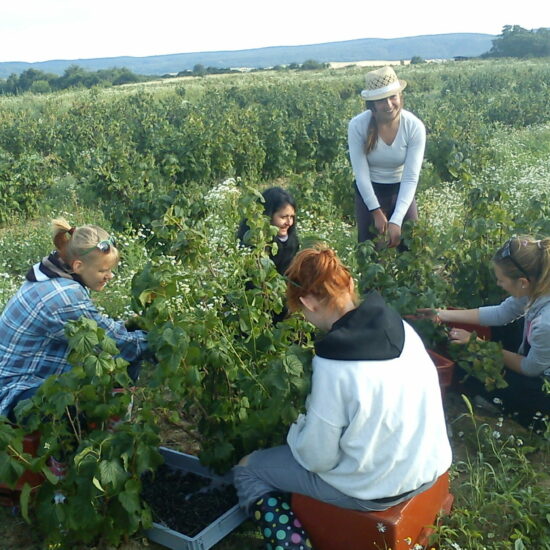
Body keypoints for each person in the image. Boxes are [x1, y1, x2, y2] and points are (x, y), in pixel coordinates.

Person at [233, 245, 452, 550]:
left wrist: (296, 430)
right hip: (427, 467)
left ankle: (292, 544)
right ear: (349, 283)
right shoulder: (400, 327)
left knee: (248, 469)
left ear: (307, 301)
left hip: (377, 489)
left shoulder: (335, 363)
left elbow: (318, 458)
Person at [0, 218, 148, 422]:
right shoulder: (64, 296)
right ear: (78, 265)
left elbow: (97, 328)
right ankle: (111, 432)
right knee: (126, 356)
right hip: (15, 390)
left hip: (19, 373)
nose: (110, 276)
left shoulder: (51, 272)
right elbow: (114, 343)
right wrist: (155, 341)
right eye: (103, 270)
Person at [416, 235, 550, 429]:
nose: (498, 285)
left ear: (522, 282)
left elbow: (531, 368)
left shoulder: (546, 322)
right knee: (507, 328)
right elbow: (502, 313)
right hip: (541, 354)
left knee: (478, 376)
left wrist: (476, 343)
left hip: (544, 382)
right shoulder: (536, 286)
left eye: (501, 280)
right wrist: (440, 314)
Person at [348, 65, 426, 247]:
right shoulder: (358, 126)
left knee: (412, 248)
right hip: (369, 191)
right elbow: (361, 174)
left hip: (401, 190)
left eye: (393, 97)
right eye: (382, 100)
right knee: (370, 252)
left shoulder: (414, 126)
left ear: (400, 97)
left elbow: (410, 178)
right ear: (372, 105)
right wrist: (376, 211)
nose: (389, 104)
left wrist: (396, 220)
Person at [237, 186, 299, 275]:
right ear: (268, 216)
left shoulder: (292, 241)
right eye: (283, 217)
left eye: (292, 217)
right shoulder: (252, 240)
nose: (289, 223)